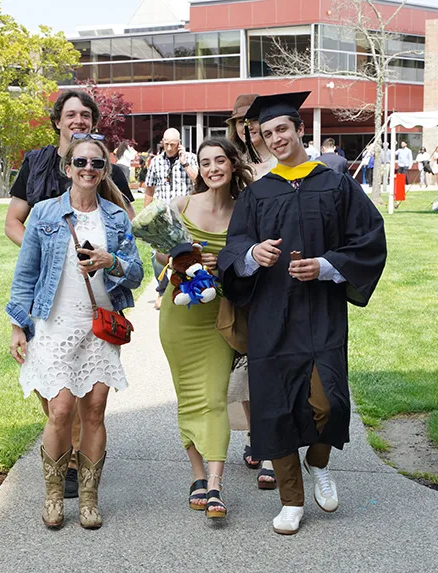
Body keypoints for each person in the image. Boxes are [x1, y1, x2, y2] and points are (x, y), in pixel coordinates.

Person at [218, 91, 387, 536]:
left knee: (329, 402)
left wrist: (327, 266)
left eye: (282, 130)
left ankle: (318, 462)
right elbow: (233, 250)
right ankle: (290, 500)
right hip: (272, 316)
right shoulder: (258, 194)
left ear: (298, 130)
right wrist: (254, 253)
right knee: (273, 409)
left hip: (321, 312)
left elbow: (369, 237)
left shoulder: (335, 183)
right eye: (266, 133)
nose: (275, 138)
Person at [7, 135, 143, 529]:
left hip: (98, 324)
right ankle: (53, 496)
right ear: (68, 169)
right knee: (61, 410)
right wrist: (19, 323)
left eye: (96, 164)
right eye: (80, 162)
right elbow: (26, 272)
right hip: (54, 323)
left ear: (104, 172)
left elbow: (135, 273)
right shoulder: (47, 213)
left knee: (95, 412)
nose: (88, 169)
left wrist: (111, 260)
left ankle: (88, 499)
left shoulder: (116, 217)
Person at [159, 137, 255, 520]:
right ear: (197, 168)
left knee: (214, 397)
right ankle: (198, 476)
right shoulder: (182, 205)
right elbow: (159, 258)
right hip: (179, 316)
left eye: (220, 161)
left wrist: (225, 264)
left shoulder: (244, 213)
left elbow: (250, 264)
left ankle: (215, 485)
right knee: (190, 397)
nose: (213, 168)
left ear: (232, 165)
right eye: (205, 162)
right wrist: (184, 258)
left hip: (220, 317)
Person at [226, 93, 278, 489]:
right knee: (244, 362)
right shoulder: (234, 164)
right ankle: (256, 435)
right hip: (241, 274)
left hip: (277, 277)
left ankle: (273, 441)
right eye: (244, 120)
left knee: (272, 363)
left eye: (255, 118)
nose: (251, 126)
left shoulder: (285, 162)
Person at [5, 91, 135, 247]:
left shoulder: (110, 171)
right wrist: (40, 251)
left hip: (99, 264)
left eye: (85, 115)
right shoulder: (35, 164)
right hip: (49, 266)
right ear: (58, 122)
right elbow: (12, 223)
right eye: (71, 115)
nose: (78, 121)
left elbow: (129, 225)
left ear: (93, 123)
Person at [144, 128, 199, 310]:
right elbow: (150, 189)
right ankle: (162, 290)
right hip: (162, 215)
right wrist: (146, 215)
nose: (168, 147)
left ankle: (186, 287)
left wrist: (184, 164)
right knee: (156, 254)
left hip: (184, 214)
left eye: (172, 144)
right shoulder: (156, 162)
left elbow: (199, 181)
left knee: (187, 253)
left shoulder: (190, 158)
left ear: (179, 143)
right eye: (166, 143)